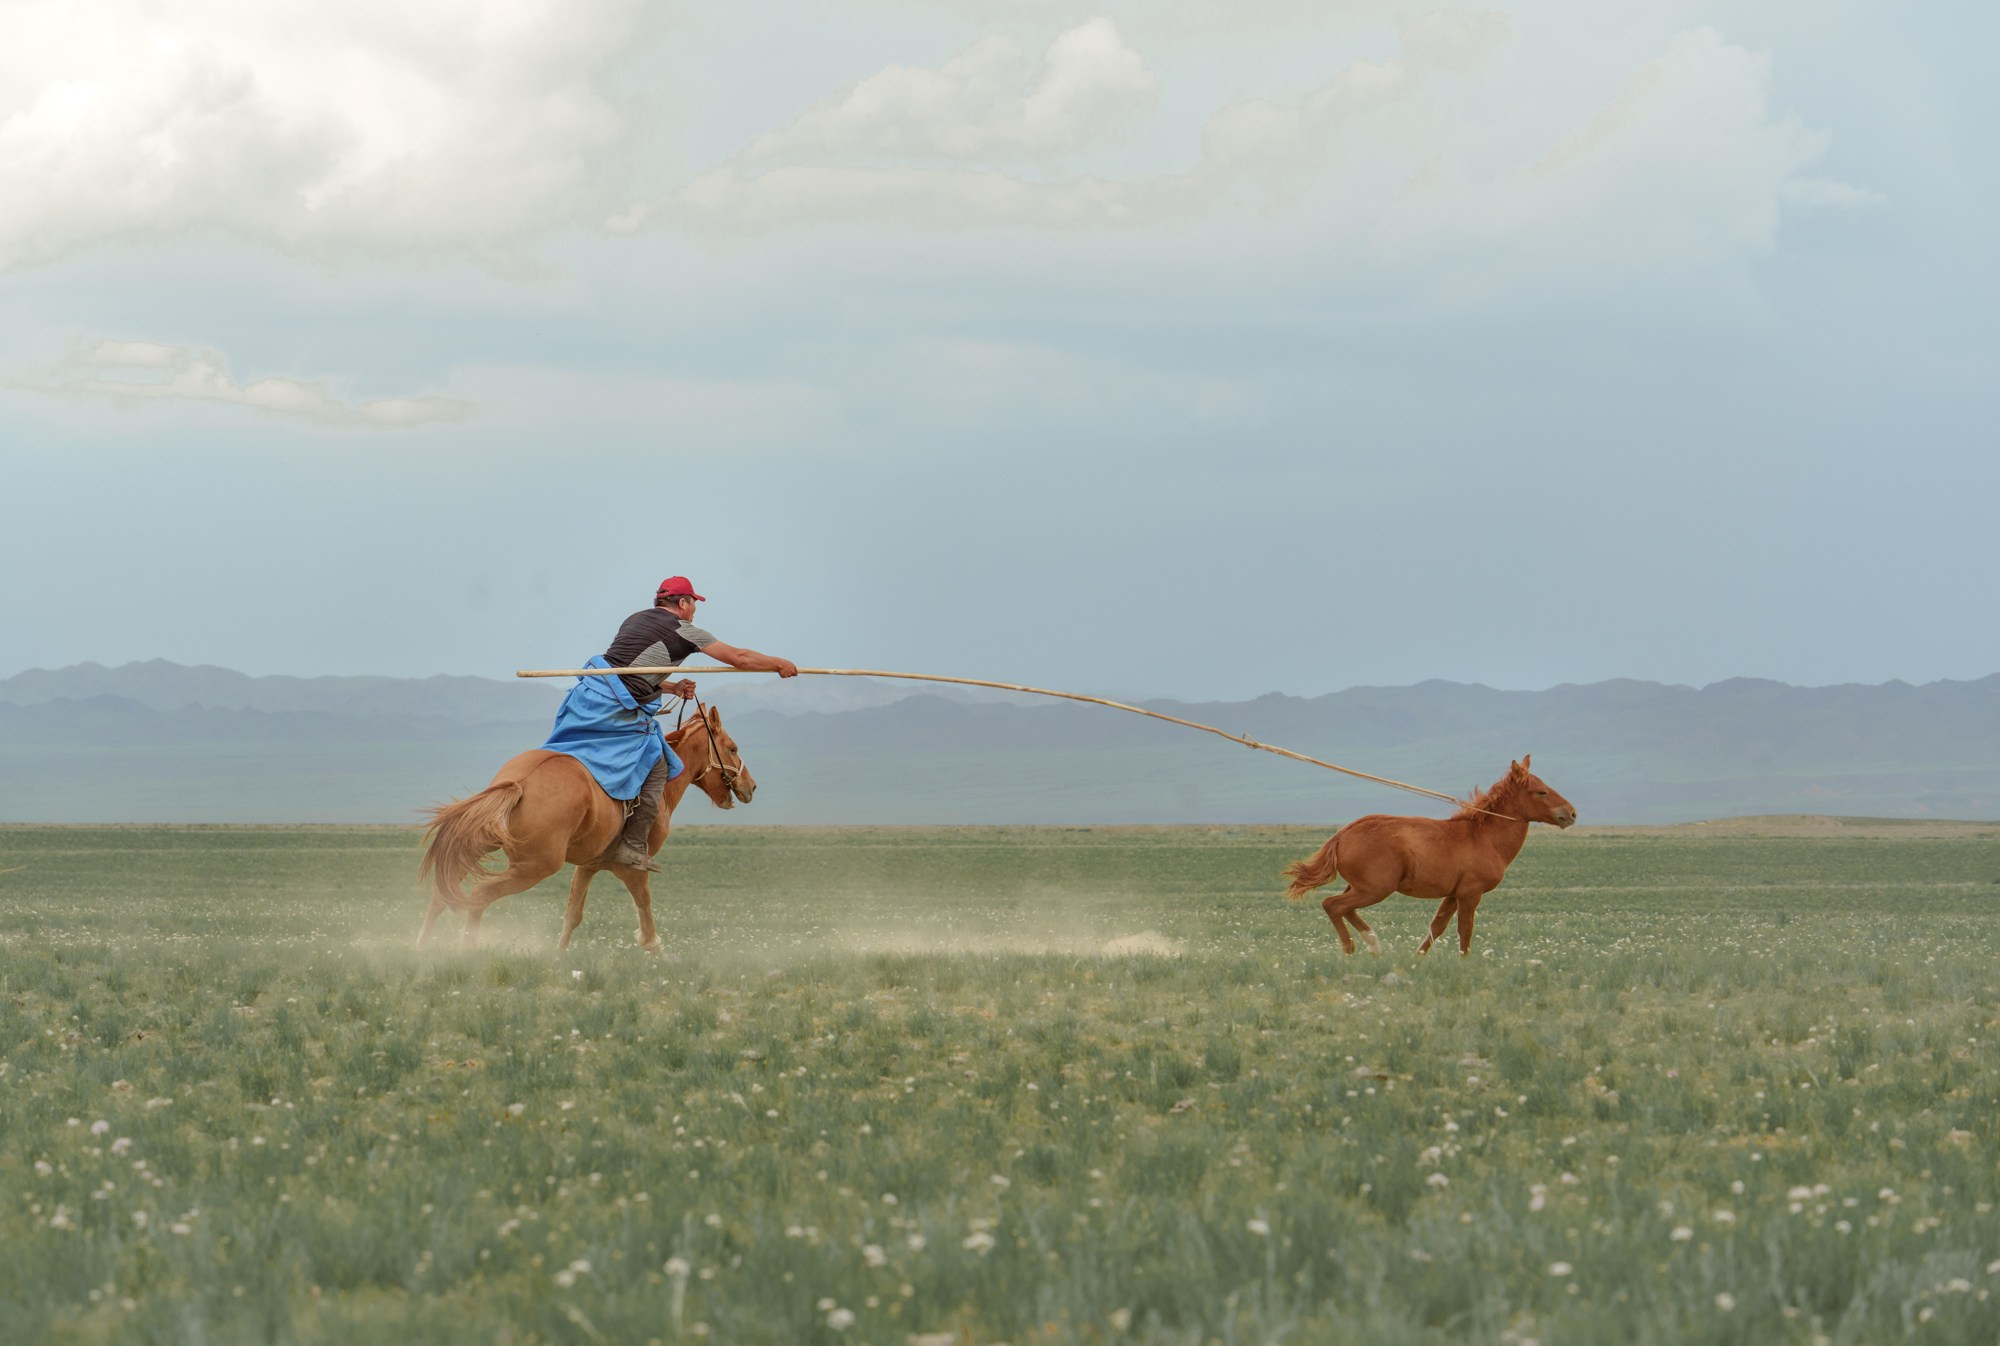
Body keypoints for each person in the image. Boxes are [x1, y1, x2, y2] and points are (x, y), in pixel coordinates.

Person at [540, 576, 798, 871]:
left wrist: (672, 687)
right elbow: (738, 657)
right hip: (616, 710)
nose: (694, 612)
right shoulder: (686, 631)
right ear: (684, 603)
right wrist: (778, 663)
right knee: (659, 764)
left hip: (586, 701)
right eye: (693, 605)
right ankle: (631, 846)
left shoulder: (635, 619)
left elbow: (628, 672)